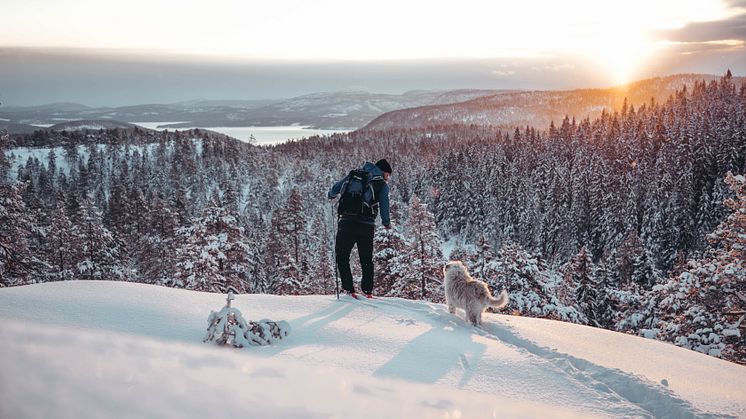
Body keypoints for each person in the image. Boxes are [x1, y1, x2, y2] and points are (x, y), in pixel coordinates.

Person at [328, 159, 392, 298]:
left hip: (346, 222)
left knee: (342, 256)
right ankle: (368, 292)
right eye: (387, 175)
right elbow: (384, 205)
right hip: (366, 225)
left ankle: (349, 289)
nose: (387, 178)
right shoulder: (381, 184)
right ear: (382, 171)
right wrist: (386, 223)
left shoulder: (354, 175)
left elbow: (335, 189)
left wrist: (331, 195)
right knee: (366, 259)